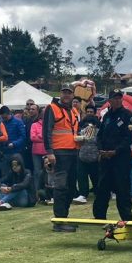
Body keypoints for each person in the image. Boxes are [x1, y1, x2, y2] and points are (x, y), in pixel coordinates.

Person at [92, 89, 132, 222]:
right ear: (109, 100)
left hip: (120, 158)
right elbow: (100, 136)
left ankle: (126, 218)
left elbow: (129, 138)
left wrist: (115, 151)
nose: (117, 100)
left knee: (122, 190)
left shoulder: (127, 115)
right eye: (114, 98)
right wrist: (100, 150)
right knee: (102, 188)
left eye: (119, 98)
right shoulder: (106, 116)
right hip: (105, 159)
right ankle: (99, 217)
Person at [44, 86, 81, 231]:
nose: (66, 95)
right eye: (64, 92)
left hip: (73, 152)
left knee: (71, 188)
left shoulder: (73, 110)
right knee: (61, 187)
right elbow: (46, 131)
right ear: (60, 94)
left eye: (69, 93)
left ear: (73, 95)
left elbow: (72, 131)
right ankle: (59, 222)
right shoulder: (52, 108)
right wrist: (49, 152)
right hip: (59, 153)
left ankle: (64, 217)